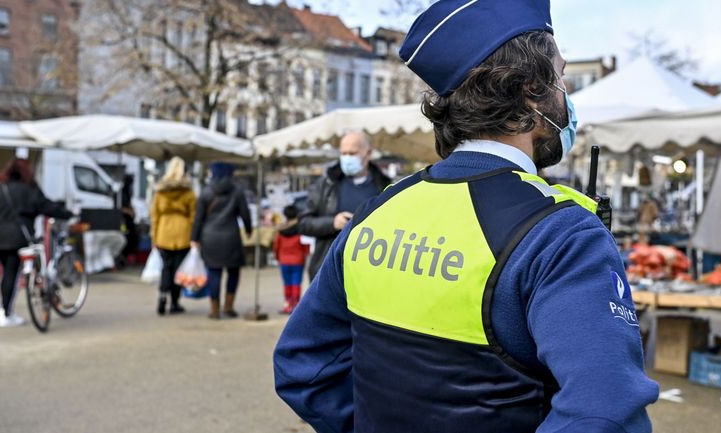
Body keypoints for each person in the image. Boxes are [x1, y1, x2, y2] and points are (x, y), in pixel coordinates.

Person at [274, 1, 659, 432]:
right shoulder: (562, 234)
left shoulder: (378, 211)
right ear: (532, 89)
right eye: (562, 75)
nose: (566, 94)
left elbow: (303, 364)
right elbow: (606, 413)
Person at [298, 131, 390, 281]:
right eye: (343, 153)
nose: (347, 158)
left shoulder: (384, 185)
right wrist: (332, 223)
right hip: (329, 271)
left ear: (368, 153)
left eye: (352, 153)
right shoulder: (327, 183)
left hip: (368, 272)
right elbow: (303, 223)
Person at [0, 158, 73, 327]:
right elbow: (45, 206)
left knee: (6, 272)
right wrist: (67, 213)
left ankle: (4, 309)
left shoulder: (0, 186)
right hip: (18, 237)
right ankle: (6, 314)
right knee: (12, 274)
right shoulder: (29, 188)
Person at [191, 162, 252, 320]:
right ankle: (229, 306)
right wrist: (248, 229)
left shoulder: (206, 192)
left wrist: (194, 238)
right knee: (233, 272)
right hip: (231, 236)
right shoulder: (237, 191)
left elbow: (198, 219)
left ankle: (215, 309)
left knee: (214, 273)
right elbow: (245, 213)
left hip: (209, 237)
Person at [150, 157, 196, 316]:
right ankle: (175, 302)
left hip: (164, 232)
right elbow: (193, 216)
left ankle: (162, 297)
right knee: (178, 270)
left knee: (166, 268)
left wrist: (154, 237)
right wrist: (194, 236)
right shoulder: (189, 193)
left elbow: (154, 216)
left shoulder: (160, 192)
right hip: (183, 234)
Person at [273, 205, 310, 314]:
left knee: (287, 283)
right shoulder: (300, 230)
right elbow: (305, 246)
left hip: (284, 261)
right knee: (296, 283)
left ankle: (287, 305)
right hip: (298, 261)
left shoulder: (280, 231)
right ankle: (296, 306)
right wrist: (305, 255)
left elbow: (276, 247)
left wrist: (277, 257)